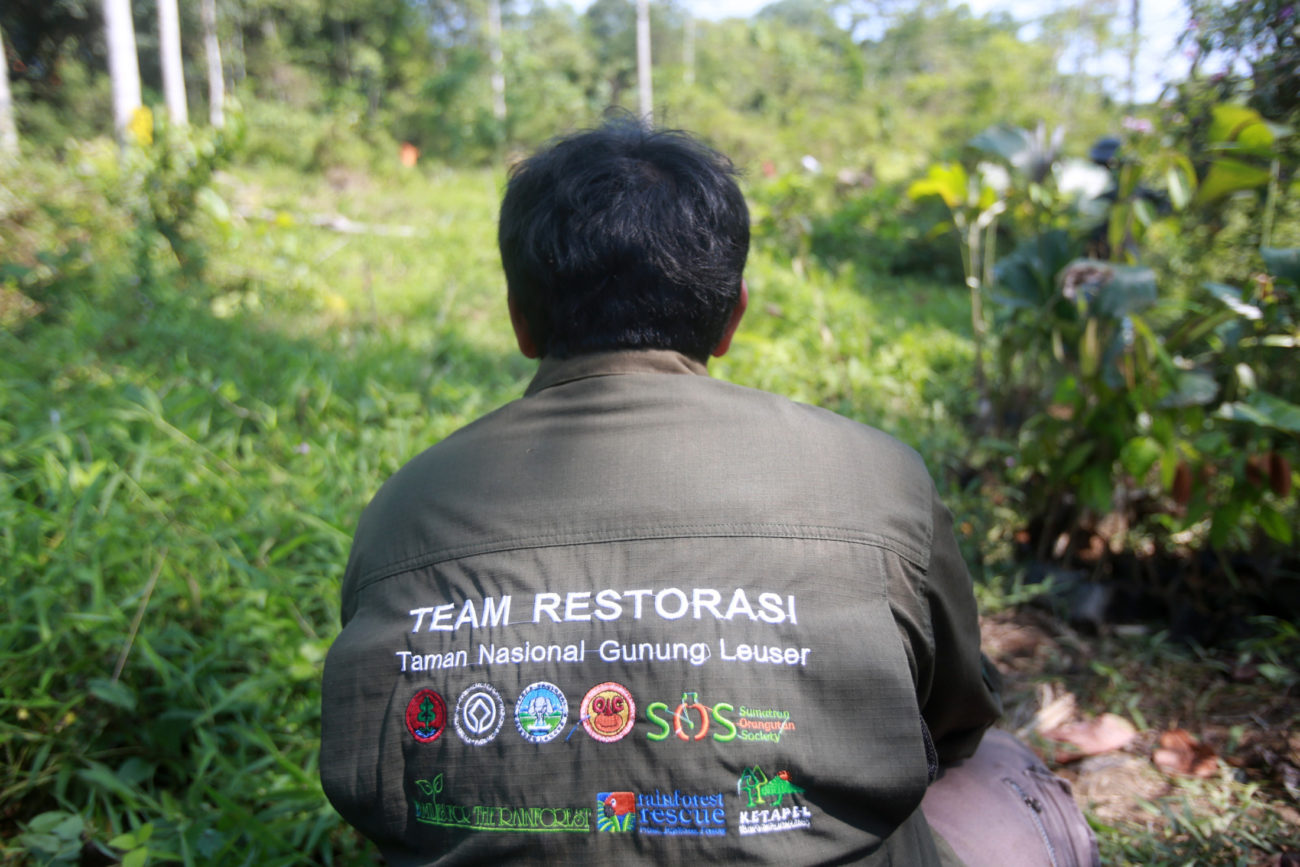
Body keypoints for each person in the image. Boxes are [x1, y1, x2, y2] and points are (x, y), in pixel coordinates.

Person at [320, 117, 1099, 866]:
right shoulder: (878, 474)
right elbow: (954, 723)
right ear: (732, 316)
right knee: (1001, 763)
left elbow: (375, 786)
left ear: (521, 320)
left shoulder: (402, 508)